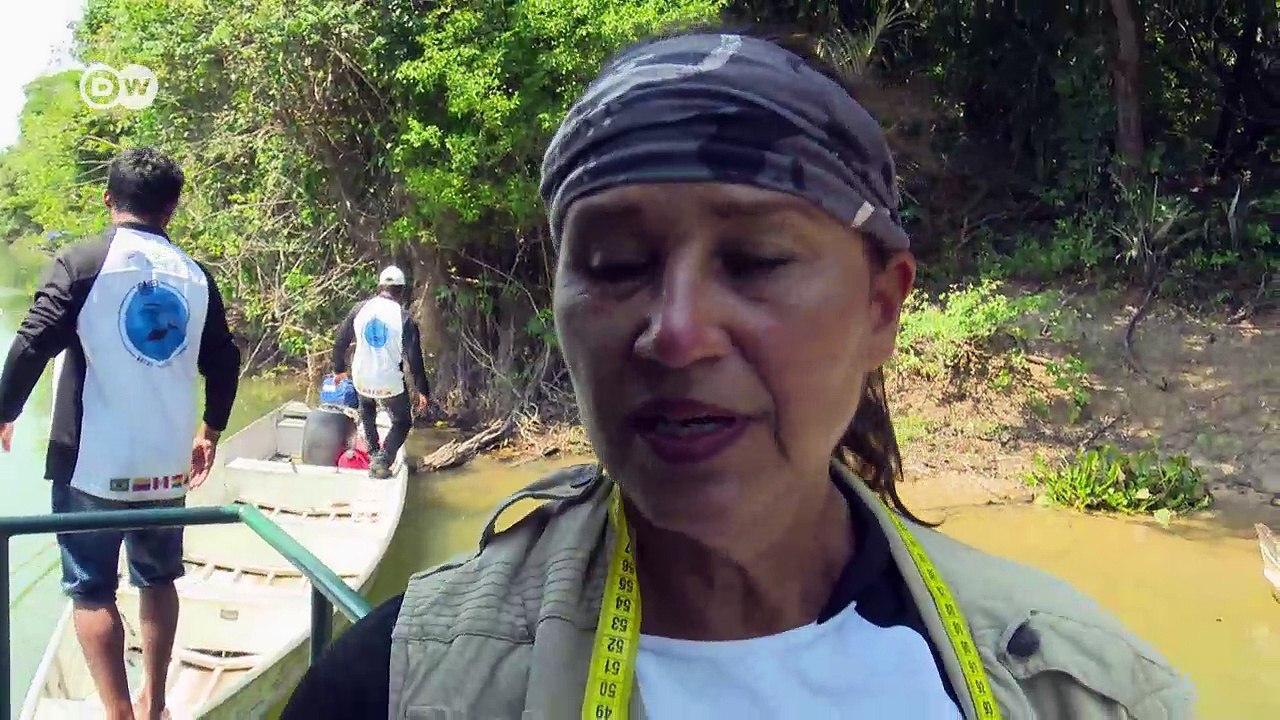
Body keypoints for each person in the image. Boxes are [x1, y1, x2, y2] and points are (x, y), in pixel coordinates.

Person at [282, 27, 1195, 719]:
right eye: (613, 266)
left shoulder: (1077, 685)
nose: (676, 335)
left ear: (882, 306)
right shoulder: (402, 684)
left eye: (756, 260)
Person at [0, 147, 241, 720]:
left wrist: (5, 409)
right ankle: (155, 704)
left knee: (90, 589)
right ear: (172, 209)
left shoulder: (80, 263)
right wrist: (211, 429)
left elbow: (34, 340)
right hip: (166, 466)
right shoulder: (196, 276)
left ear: (109, 199)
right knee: (158, 578)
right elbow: (224, 361)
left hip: (91, 464)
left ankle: (119, 714)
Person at [331, 265, 430, 478]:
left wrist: (338, 369)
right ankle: (383, 458)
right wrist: (423, 390)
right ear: (401, 291)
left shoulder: (359, 309)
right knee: (402, 421)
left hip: (361, 378)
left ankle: (373, 451)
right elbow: (414, 359)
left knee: (367, 411)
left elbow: (340, 342)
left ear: (379, 287)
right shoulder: (404, 318)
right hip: (389, 381)